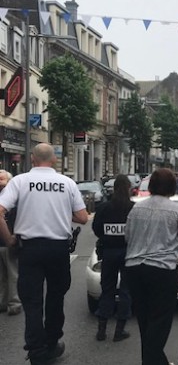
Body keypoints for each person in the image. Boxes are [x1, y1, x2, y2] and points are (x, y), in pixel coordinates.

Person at [0, 143, 88, 365]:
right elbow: (83, 217)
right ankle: (52, 342)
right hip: (58, 249)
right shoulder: (67, 183)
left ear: (32, 159)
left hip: (29, 249)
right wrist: (60, 212)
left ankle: (36, 349)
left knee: (32, 301)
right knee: (56, 297)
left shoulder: (19, 181)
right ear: (54, 160)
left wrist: (9, 238)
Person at [124, 168, 178, 365]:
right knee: (160, 321)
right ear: (173, 187)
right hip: (163, 270)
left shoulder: (136, 208)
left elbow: (127, 237)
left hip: (135, 269)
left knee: (144, 319)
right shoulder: (177, 210)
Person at [92, 174, 134, 342]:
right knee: (126, 291)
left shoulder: (104, 208)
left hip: (108, 252)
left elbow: (96, 229)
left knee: (107, 290)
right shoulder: (133, 208)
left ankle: (101, 329)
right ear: (128, 188)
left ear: (114, 189)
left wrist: (106, 238)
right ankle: (119, 330)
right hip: (129, 252)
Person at [0, 169, 20, 316]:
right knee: (1, 275)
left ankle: (14, 303)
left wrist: (12, 238)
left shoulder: (12, 198)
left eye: (1, 179)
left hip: (8, 241)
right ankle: (2, 302)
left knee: (12, 273)